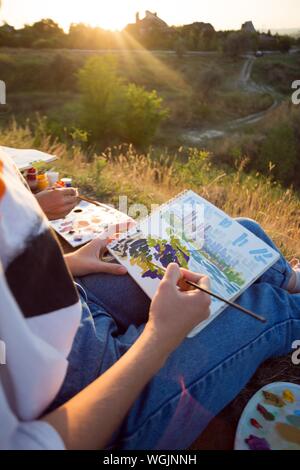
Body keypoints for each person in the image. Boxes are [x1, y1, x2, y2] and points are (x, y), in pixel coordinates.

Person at [0, 150, 299, 450]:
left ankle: (289, 278)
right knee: (263, 304)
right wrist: (159, 337)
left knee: (241, 232)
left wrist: (67, 263)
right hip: (93, 385)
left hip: (76, 299)